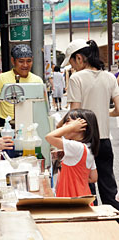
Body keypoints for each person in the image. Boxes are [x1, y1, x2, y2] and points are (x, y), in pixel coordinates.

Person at [61, 39, 119, 210]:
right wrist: (102, 112)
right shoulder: (109, 76)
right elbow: (118, 109)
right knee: (108, 187)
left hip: (84, 142)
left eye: (71, 62)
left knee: (87, 189)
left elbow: (74, 114)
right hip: (104, 140)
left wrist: (60, 129)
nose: (72, 67)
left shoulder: (76, 78)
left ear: (79, 58)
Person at [0, 44, 43, 138]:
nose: (25, 65)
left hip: (29, 126)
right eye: (21, 61)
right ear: (13, 61)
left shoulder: (37, 81)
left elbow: (41, 108)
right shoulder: (2, 78)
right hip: (6, 126)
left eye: (28, 61)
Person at [46, 109, 99, 198]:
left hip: (72, 203)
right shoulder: (87, 148)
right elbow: (93, 178)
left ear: (81, 127)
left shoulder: (77, 147)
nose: (64, 126)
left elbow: (49, 137)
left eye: (68, 122)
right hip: (83, 199)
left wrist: (71, 127)